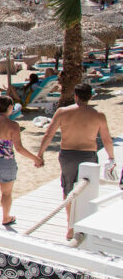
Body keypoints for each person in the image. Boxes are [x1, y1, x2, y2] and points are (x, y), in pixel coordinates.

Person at [38, 82, 115, 239]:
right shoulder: (98, 115)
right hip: (88, 155)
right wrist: (111, 157)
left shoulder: (62, 112)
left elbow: (49, 134)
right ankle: (85, 223)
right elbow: (106, 139)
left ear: (76, 96)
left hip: (68, 155)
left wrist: (40, 154)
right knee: (87, 189)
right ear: (91, 96)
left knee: (68, 190)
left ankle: (70, 226)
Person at [0, 96, 43, 228]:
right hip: (5, 162)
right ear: (10, 107)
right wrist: (35, 159)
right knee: (6, 193)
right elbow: (19, 148)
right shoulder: (13, 125)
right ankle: (6, 218)